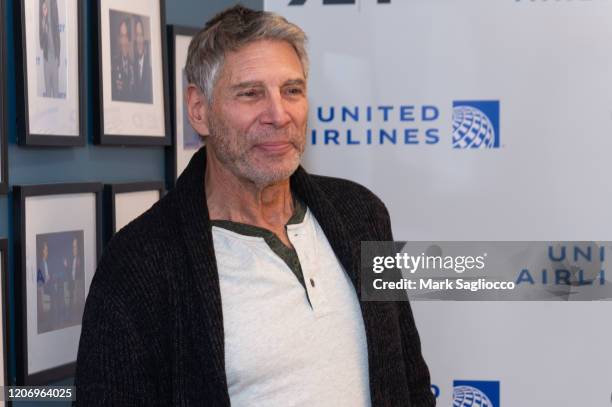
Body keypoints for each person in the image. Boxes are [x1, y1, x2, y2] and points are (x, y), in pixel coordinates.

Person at [75, 5, 434, 407]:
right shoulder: (141, 262)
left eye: (292, 91)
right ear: (199, 110)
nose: (279, 115)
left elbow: (411, 381)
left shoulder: (363, 215)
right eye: (250, 93)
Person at [39, 0, 60, 98]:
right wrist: (43, 29)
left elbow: (58, 39)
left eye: (46, 8)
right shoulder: (43, 24)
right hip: (47, 60)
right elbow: (41, 45)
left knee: (56, 91)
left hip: (54, 59)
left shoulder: (55, 28)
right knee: (48, 92)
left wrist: (58, 57)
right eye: (43, 9)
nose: (45, 10)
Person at [111, 17, 134, 102]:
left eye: (126, 36)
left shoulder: (134, 66)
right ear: (119, 39)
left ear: (129, 39)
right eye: (121, 36)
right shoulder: (113, 65)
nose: (124, 41)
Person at [132, 17, 152, 103]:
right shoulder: (133, 65)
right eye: (137, 35)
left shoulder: (150, 66)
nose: (139, 40)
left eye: (141, 35)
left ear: (144, 38)